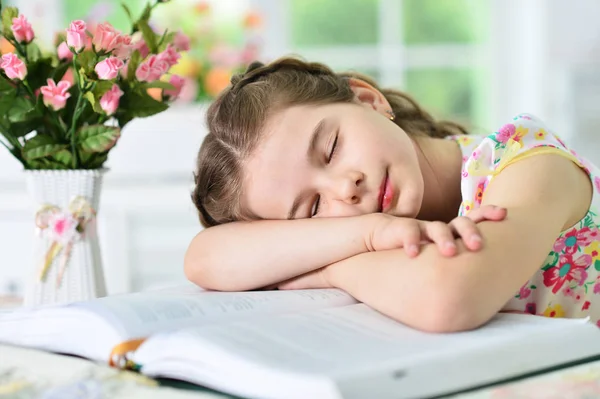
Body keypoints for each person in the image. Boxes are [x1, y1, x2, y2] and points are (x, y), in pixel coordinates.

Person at [185, 56, 600, 333]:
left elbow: (449, 297)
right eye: (312, 208)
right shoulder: (374, 232)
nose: (345, 189)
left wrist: (331, 270)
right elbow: (204, 258)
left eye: (331, 148)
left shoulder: (527, 162)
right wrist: (367, 234)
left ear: (368, 100)